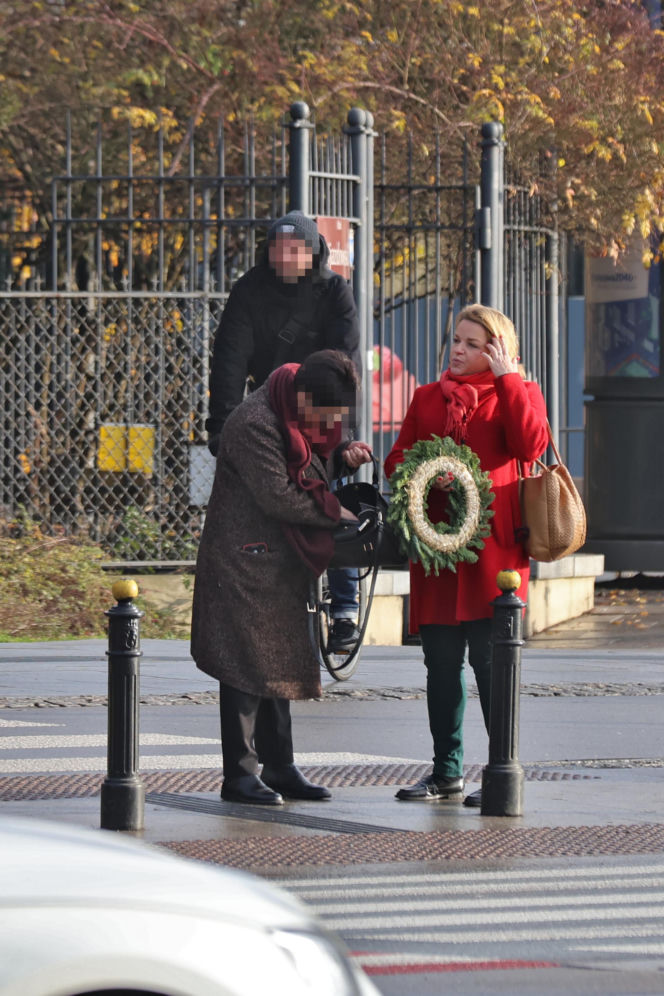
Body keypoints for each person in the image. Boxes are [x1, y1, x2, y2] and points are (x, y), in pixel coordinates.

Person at [384, 305, 549, 807]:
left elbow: (531, 445)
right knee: (440, 664)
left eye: (472, 344)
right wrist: (425, 477)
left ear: (496, 350)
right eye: (457, 340)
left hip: (493, 553)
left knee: (490, 662)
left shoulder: (515, 395)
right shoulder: (427, 398)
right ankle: (445, 772)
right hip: (436, 553)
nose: (458, 350)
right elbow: (396, 460)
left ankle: (501, 770)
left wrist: (511, 382)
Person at [191, 350, 372, 805]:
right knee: (243, 663)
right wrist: (335, 512)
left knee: (279, 660)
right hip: (241, 558)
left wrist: (342, 462)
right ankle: (240, 775)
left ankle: (280, 766)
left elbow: (308, 470)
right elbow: (280, 495)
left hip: (278, 556)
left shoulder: (295, 410)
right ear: (304, 397)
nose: (330, 425)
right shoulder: (254, 423)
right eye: (326, 415)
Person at [205, 210, 362, 653]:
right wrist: (223, 427)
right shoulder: (250, 291)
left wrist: (342, 436)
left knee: (330, 493)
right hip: (267, 408)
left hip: (323, 408)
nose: (286, 256)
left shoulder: (334, 293)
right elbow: (229, 361)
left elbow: (346, 362)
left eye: (295, 248)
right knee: (267, 499)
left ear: (314, 252)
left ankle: (345, 607)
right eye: (278, 247)